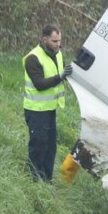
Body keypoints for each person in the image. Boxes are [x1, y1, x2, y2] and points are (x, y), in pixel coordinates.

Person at [23, 24, 72, 181]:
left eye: (60, 41)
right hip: (35, 110)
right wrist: (61, 77)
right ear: (44, 39)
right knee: (39, 145)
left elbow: (60, 74)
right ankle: (35, 180)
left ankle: (47, 179)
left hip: (50, 109)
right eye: (54, 41)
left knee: (51, 147)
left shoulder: (58, 54)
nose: (58, 44)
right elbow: (40, 84)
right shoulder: (32, 58)